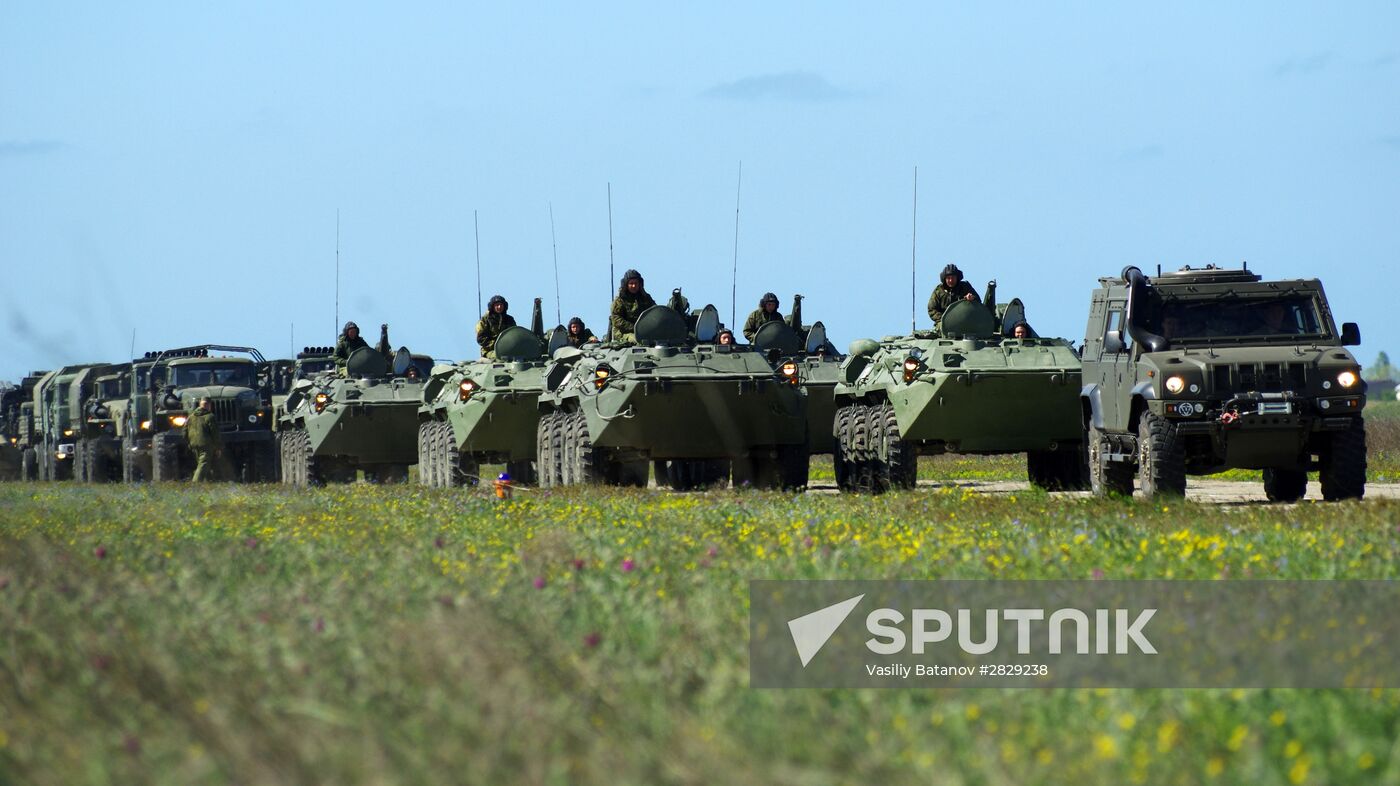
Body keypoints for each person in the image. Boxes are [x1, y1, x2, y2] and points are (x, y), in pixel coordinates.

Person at [609, 269, 656, 344]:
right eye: (631, 283)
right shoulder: (620, 300)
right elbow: (616, 319)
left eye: (636, 283)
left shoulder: (645, 298)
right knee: (638, 341)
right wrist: (635, 327)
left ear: (639, 284)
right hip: (623, 333)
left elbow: (654, 312)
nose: (634, 286)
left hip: (644, 332)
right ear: (626, 284)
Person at [186, 397, 225, 482]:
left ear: (200, 405)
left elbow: (184, 431)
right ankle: (195, 484)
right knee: (203, 464)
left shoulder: (191, 417)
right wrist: (218, 447)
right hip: (205, 444)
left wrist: (189, 443)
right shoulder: (210, 417)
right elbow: (215, 434)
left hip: (193, 444)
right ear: (209, 405)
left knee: (201, 463)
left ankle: (209, 482)